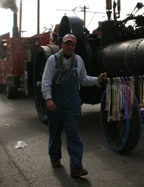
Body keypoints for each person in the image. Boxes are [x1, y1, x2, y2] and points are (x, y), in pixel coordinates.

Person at [41, 34, 107, 177]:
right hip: (56, 102)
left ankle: (76, 166)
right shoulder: (53, 61)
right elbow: (46, 81)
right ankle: (55, 157)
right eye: (67, 44)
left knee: (72, 131)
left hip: (73, 101)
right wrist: (48, 99)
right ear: (62, 45)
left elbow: (83, 80)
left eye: (72, 45)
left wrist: (97, 79)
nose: (70, 47)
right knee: (55, 132)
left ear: (74, 47)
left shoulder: (78, 61)